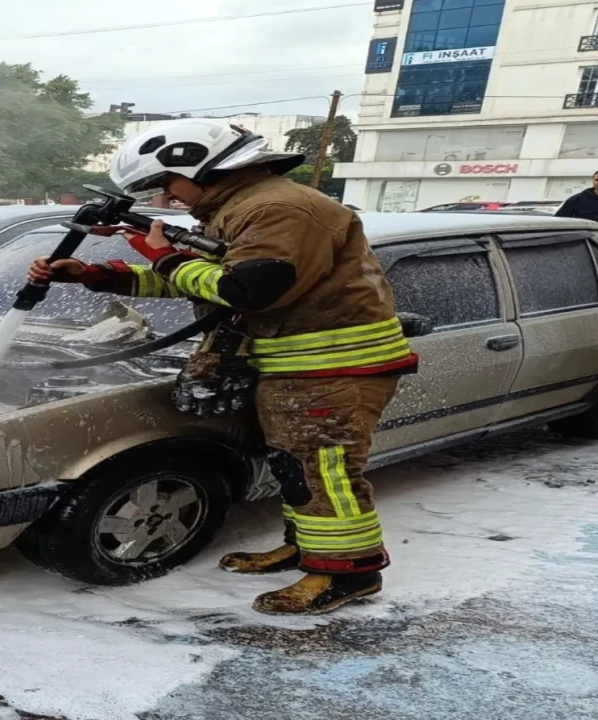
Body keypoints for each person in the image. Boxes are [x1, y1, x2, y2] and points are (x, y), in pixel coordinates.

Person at [28, 118, 417, 615]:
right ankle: (308, 549)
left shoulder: (278, 209)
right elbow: (207, 280)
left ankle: (348, 574)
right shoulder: (242, 207)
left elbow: (249, 291)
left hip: (330, 370)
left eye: (167, 183)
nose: (167, 197)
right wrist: (98, 275)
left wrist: (166, 257)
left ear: (198, 166)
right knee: (296, 469)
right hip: (298, 368)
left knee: (323, 472)